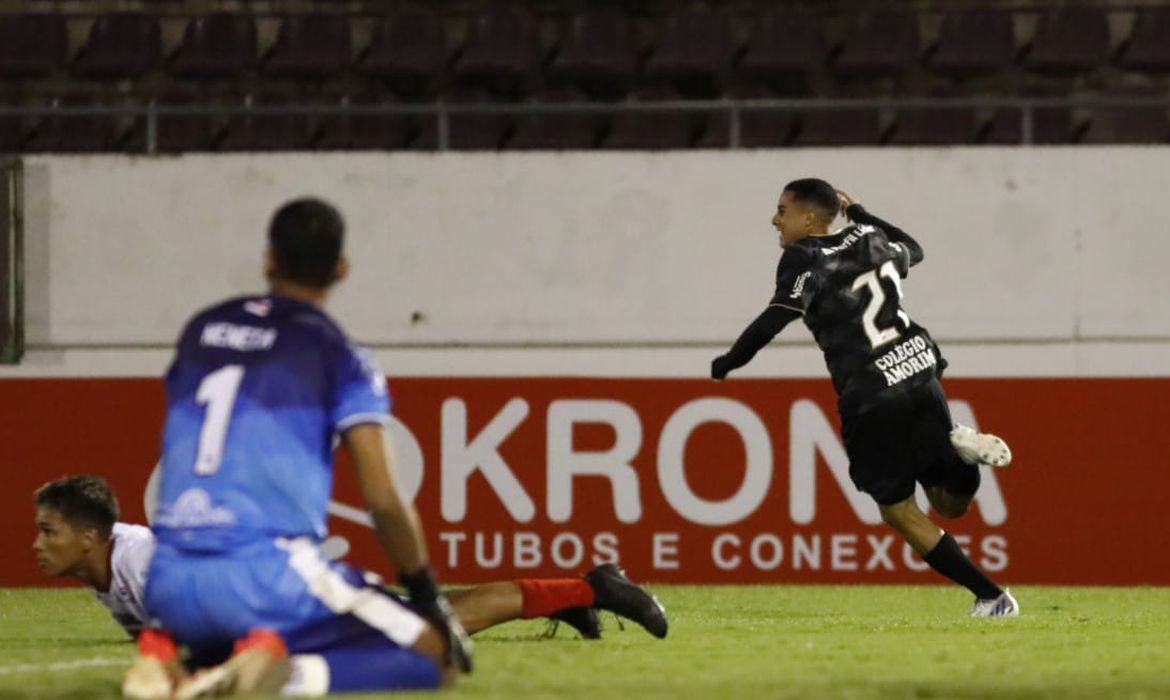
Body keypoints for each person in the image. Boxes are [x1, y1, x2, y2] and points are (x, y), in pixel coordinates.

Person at [123, 197, 474, 699]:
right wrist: (426, 594)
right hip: (266, 576)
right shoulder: (339, 354)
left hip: (167, 583)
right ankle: (281, 681)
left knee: (235, 639)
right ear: (341, 268)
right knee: (434, 657)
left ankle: (174, 665)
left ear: (269, 258)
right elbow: (382, 499)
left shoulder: (202, 329)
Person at [711, 178, 1018, 617]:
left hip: (872, 392)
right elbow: (915, 249)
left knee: (898, 511)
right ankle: (965, 457)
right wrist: (862, 214)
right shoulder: (869, 238)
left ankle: (992, 597)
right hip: (919, 371)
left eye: (782, 210)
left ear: (809, 219)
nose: (775, 220)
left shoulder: (802, 257)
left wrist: (729, 361)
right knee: (949, 504)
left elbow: (776, 316)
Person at [33, 475, 668, 648]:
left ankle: (594, 586)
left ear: (89, 537)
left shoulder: (141, 563)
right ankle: (575, 597)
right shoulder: (112, 564)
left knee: (433, 625)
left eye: (49, 531)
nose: (37, 543)